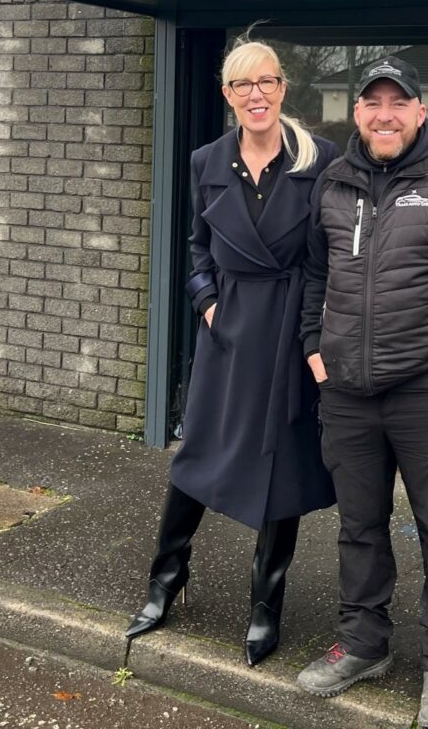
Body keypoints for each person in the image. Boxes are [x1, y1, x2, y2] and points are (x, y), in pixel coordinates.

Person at [295, 57, 428, 729]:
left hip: (424, 393)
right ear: (356, 113)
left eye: (397, 102)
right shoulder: (332, 182)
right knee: (358, 528)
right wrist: (314, 352)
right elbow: (313, 275)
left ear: (419, 111)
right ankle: (364, 643)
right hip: (347, 395)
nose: (383, 114)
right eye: (371, 103)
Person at [125, 38, 337, 666]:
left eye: (266, 82)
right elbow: (196, 245)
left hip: (288, 327)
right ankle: (166, 579)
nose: (256, 95)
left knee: (281, 464)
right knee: (197, 455)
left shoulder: (317, 159)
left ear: (282, 89)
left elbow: (327, 256)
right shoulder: (206, 160)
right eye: (242, 85)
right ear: (227, 95)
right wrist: (207, 303)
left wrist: (314, 332)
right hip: (228, 328)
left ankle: (265, 603)